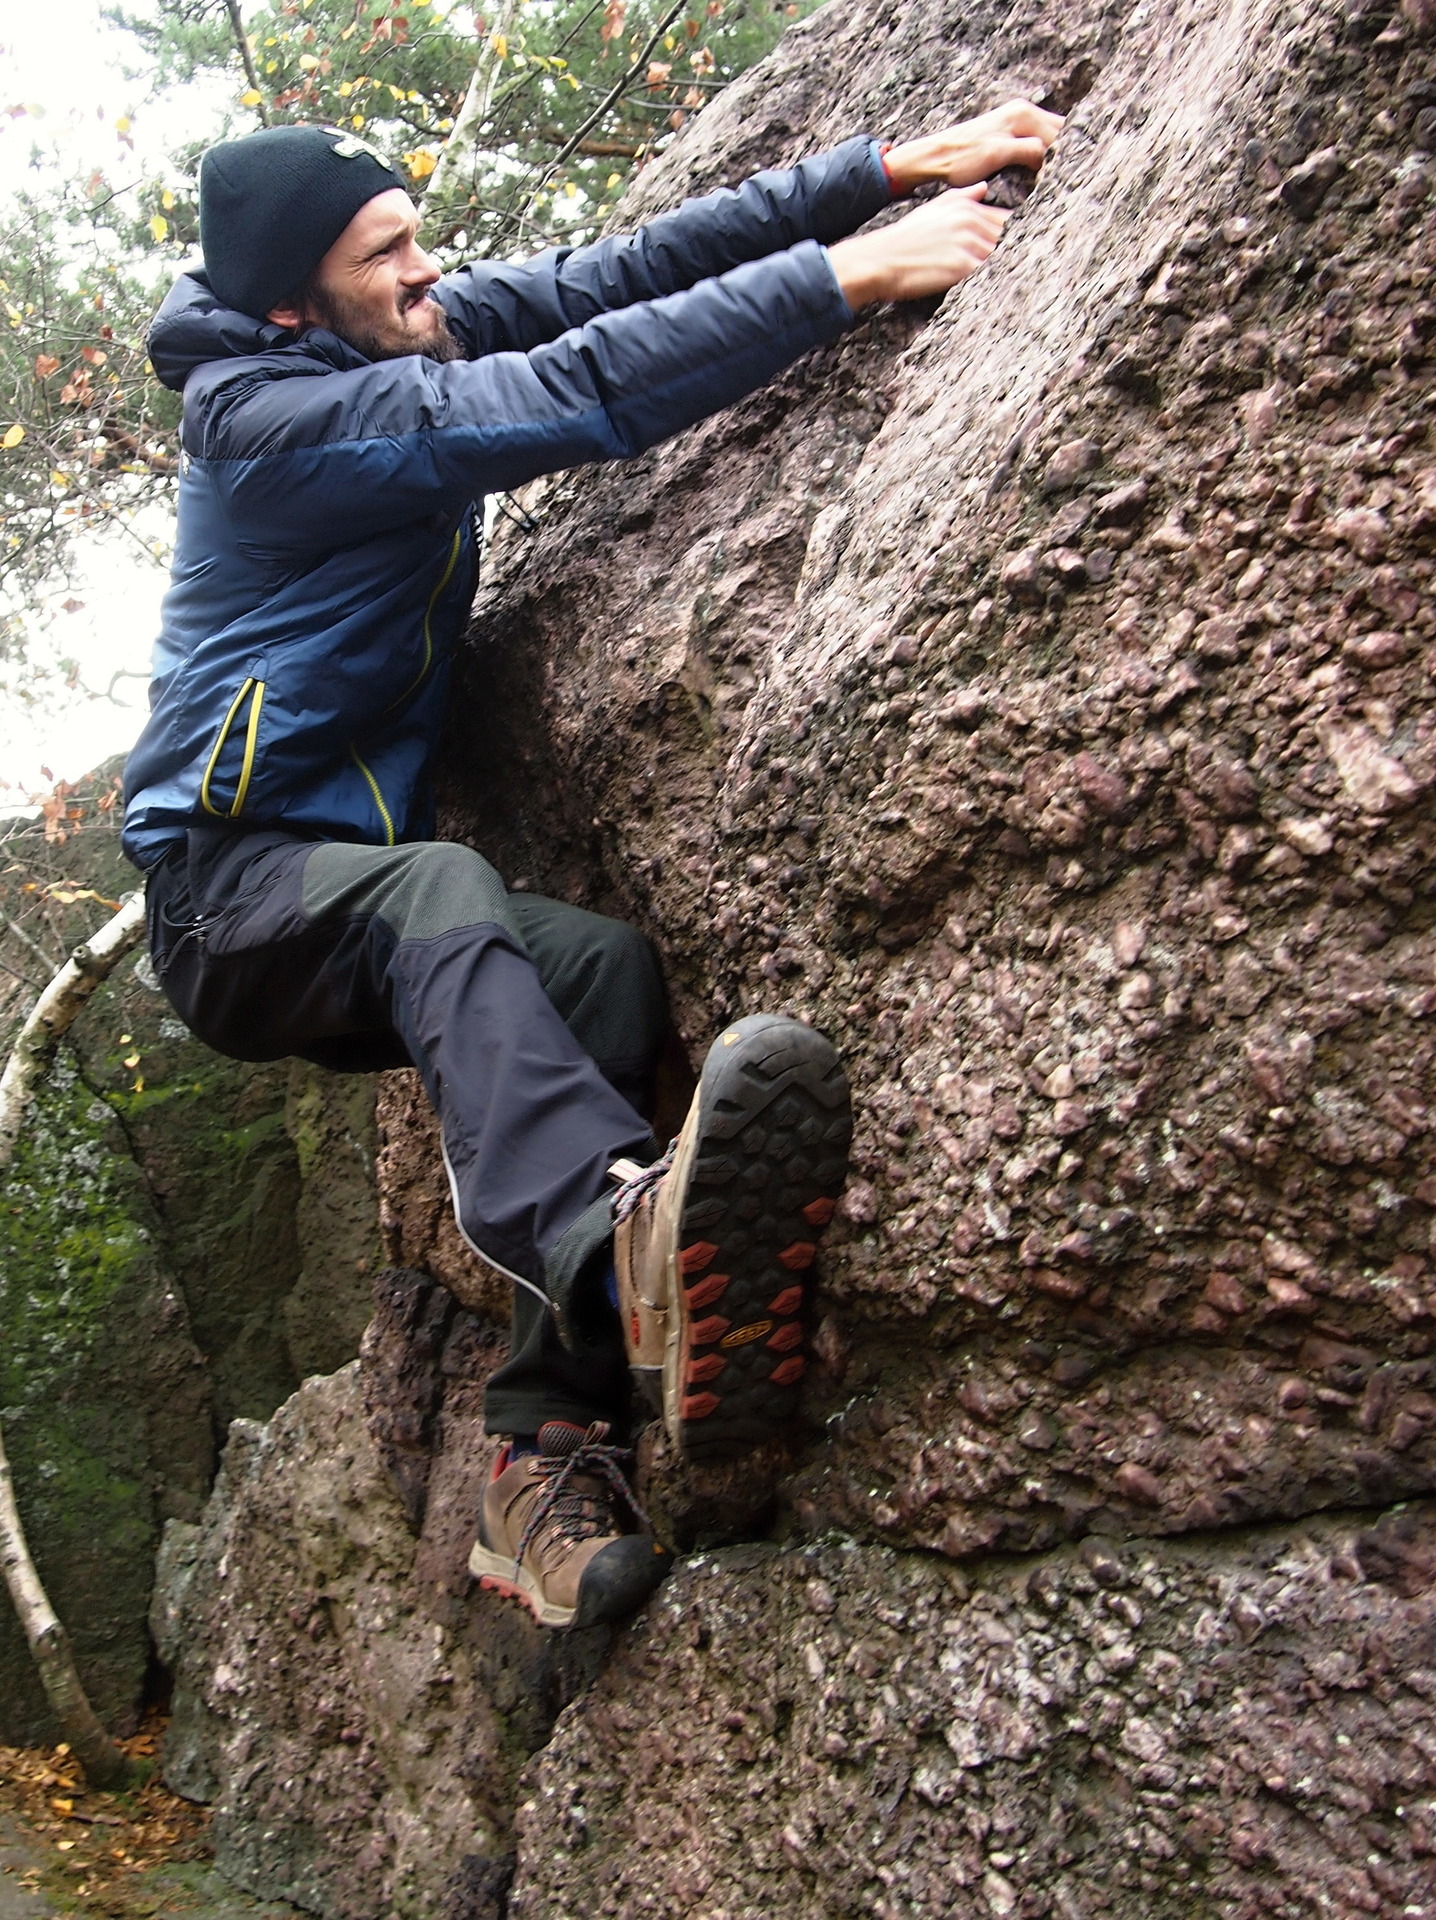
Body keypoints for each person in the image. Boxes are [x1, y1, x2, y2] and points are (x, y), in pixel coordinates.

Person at [122, 98, 1062, 1631]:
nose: (429, 268)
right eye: (390, 250)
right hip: (227, 898)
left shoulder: (385, 333)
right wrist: (857, 277)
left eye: (418, 231)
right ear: (296, 298)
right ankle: (609, 1249)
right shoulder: (269, 425)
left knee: (599, 971)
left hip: (342, 888)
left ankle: (539, 1452)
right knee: (437, 892)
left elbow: (602, 279)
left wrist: (879, 172)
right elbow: (574, 388)